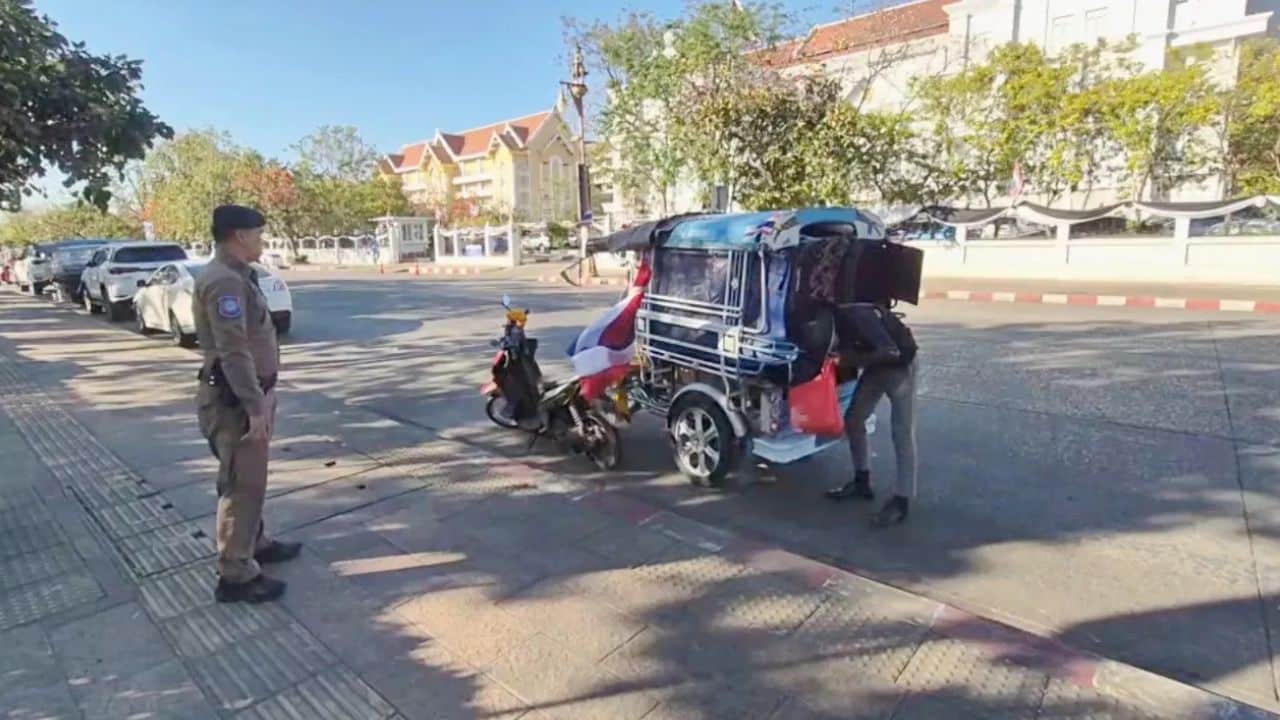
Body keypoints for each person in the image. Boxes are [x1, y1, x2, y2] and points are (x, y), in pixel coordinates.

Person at [196, 204, 300, 603]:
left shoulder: (238, 275)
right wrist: (255, 408)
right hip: (237, 400)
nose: (262, 240)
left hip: (249, 393)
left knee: (252, 480)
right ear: (239, 236)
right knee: (242, 485)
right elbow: (233, 351)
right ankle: (235, 573)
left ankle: (255, 543)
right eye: (258, 234)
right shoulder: (224, 282)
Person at [825, 303, 919, 527]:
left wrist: (846, 359)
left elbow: (890, 351)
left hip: (901, 367)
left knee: (901, 433)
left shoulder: (859, 316)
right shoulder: (841, 326)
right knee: (853, 419)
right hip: (877, 367)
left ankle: (901, 501)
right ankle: (861, 482)